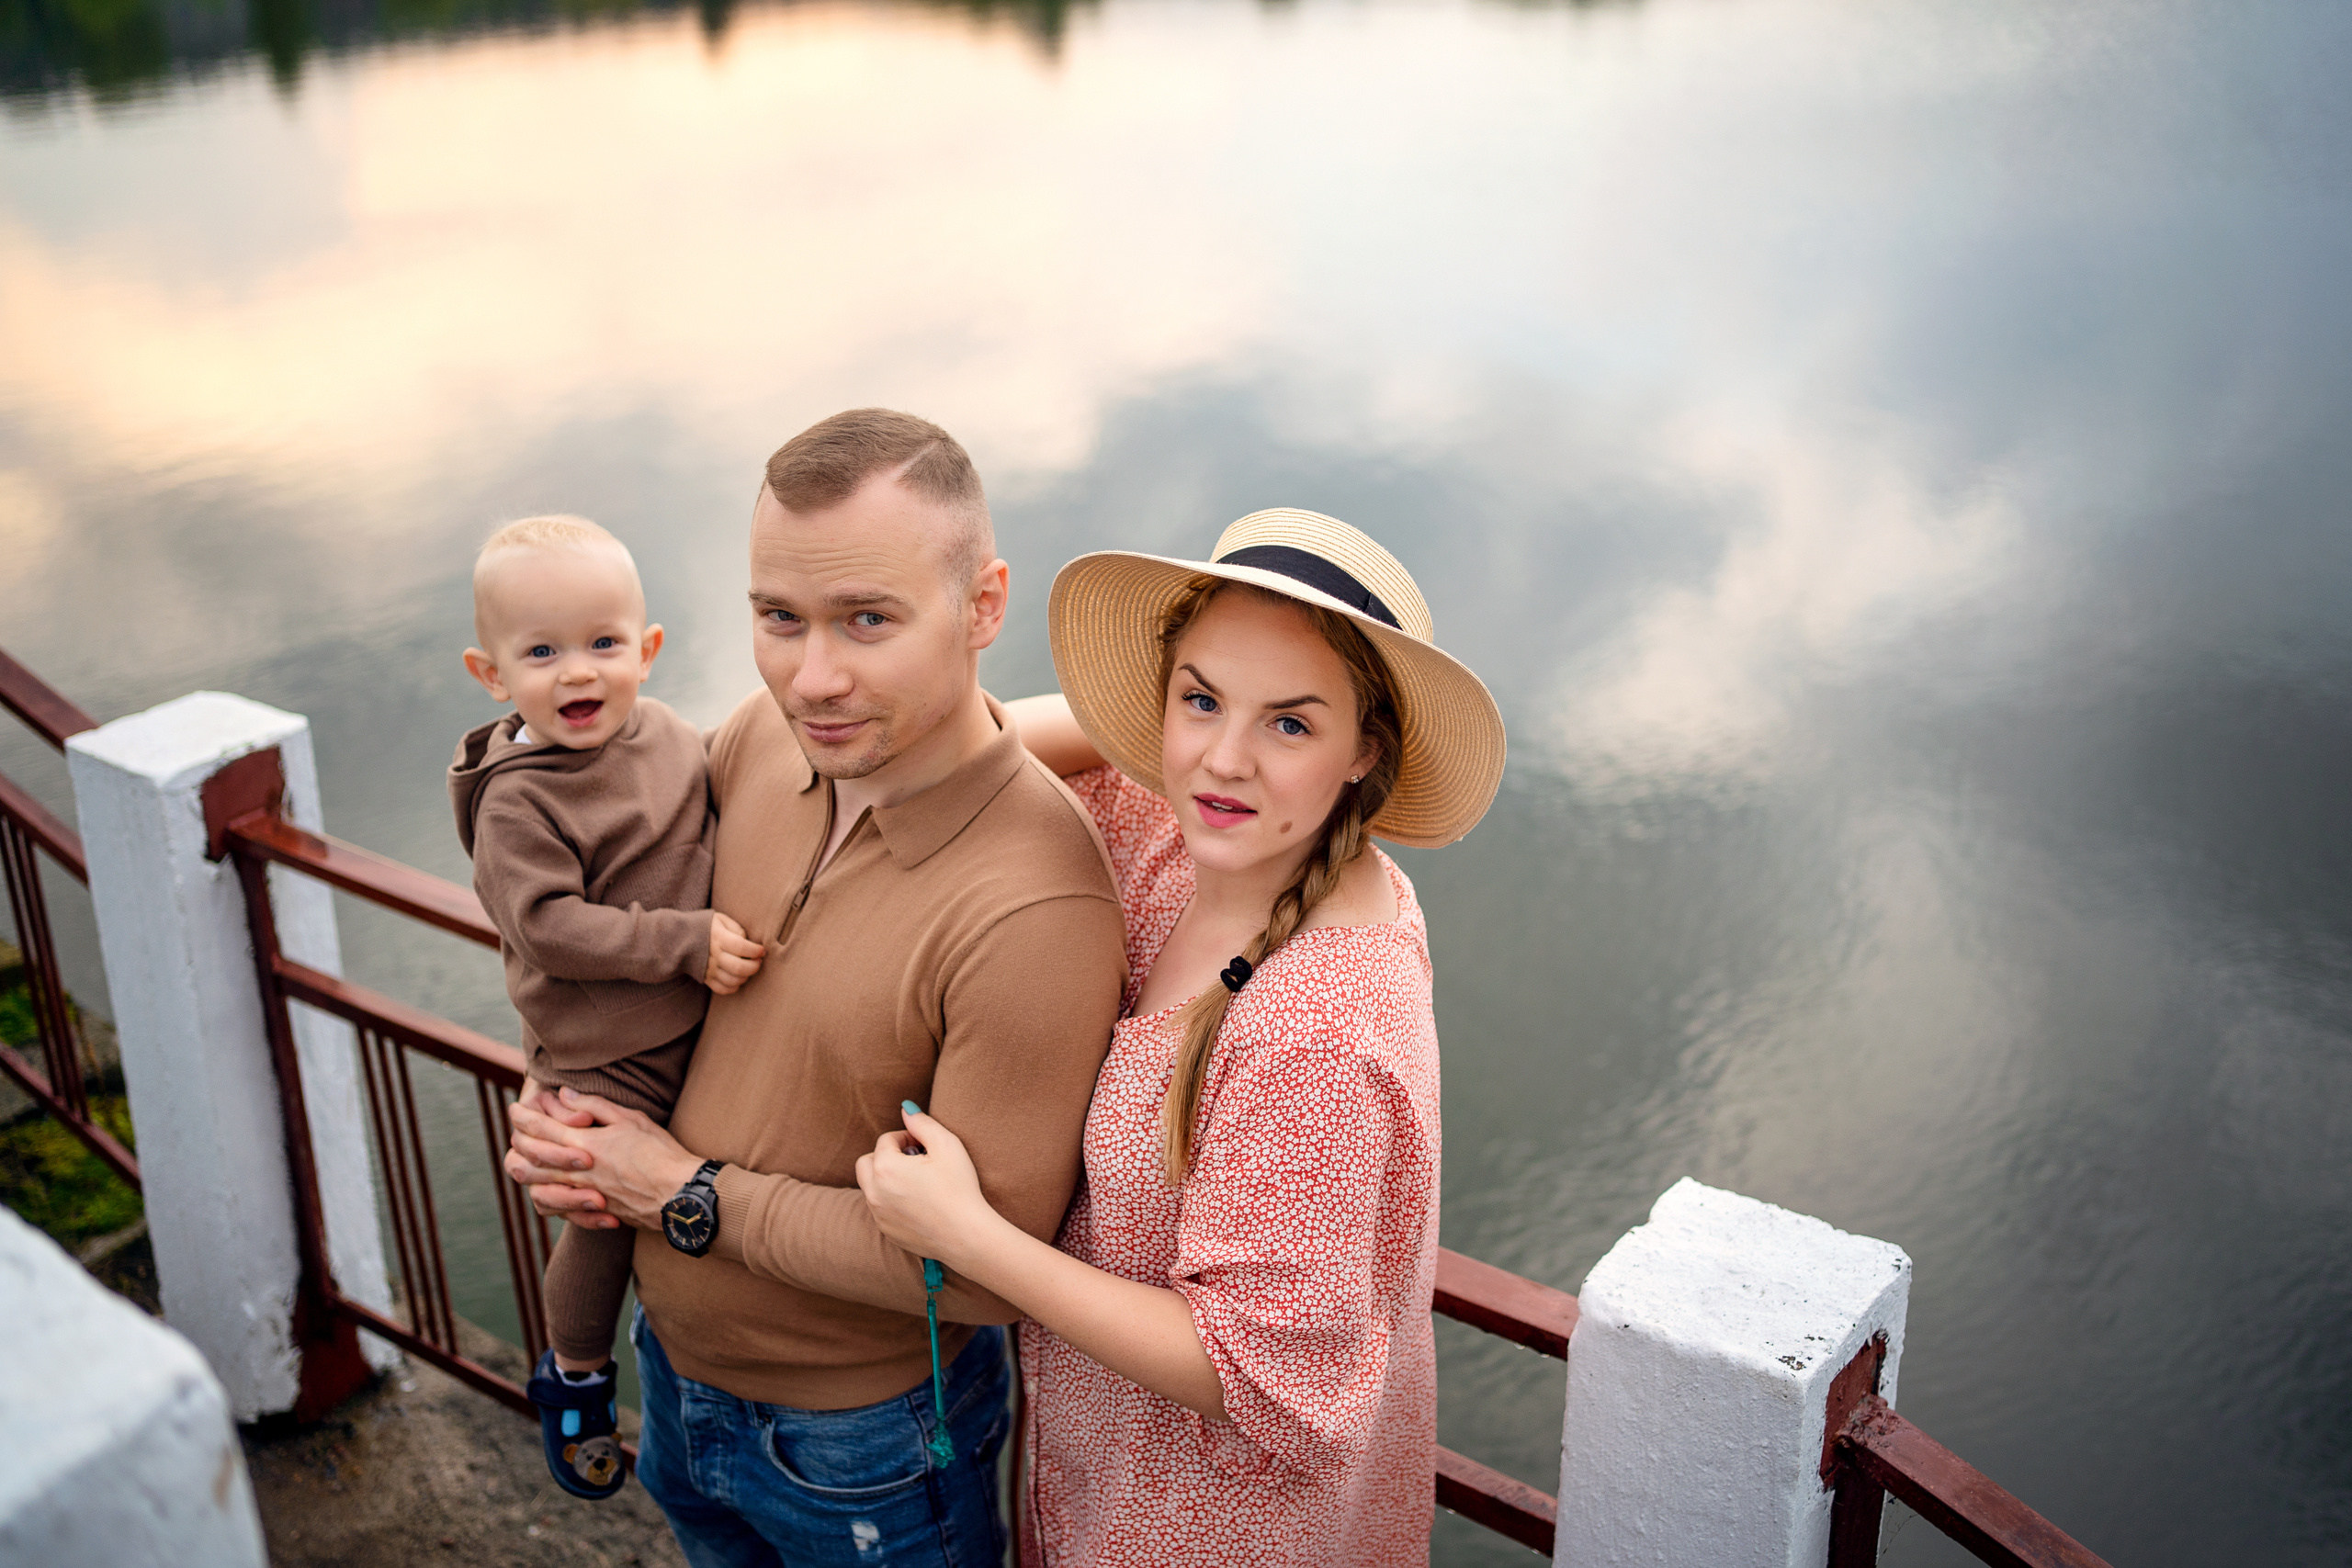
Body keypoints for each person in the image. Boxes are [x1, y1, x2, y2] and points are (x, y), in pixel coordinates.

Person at [501, 410, 1128, 1568]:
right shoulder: (761, 738)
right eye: (778, 619)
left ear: (984, 606)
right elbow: (629, 957)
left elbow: (976, 1272)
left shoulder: (1036, 911)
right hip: (673, 1378)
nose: (813, 676)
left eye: (868, 621)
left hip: (865, 1450)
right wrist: (569, 1113)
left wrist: (674, 1192)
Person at [856, 508, 1507, 1567]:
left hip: (1211, 1531)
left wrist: (970, 1240)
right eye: (1200, 698)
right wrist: (1158, 722)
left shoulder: (1318, 1035)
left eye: (1290, 724)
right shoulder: (1182, 828)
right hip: (1103, 1475)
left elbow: (1253, 1373)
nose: (1225, 761)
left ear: (1364, 753)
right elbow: (949, 756)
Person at [449, 513, 766, 1500]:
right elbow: (547, 928)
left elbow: (728, 800)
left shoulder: (671, 735)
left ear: (648, 649)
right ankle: (575, 1373)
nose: (576, 674)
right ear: (491, 674)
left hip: (695, 1023)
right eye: (540, 653)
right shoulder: (520, 802)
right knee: (596, 1214)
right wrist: (684, 938)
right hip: (603, 1053)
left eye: (601, 645)